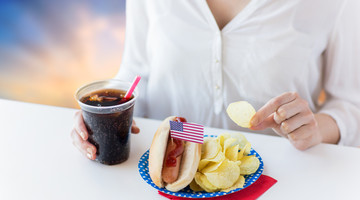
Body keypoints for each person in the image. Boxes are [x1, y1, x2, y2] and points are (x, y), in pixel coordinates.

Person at [71, 0, 360, 160]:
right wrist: (104, 116)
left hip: (277, 181)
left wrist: (316, 131)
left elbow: (350, 105)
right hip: (167, 171)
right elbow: (136, 75)